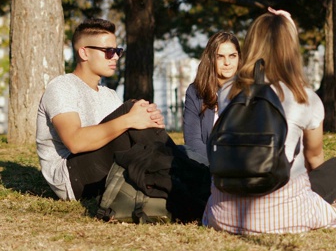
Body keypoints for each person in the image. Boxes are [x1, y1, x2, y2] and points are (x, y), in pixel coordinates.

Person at [203, 8, 336, 234]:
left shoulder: (227, 91)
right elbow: (314, 158)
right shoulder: (304, 97)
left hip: (224, 215)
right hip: (284, 216)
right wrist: (290, 30)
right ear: (290, 48)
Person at [35, 19, 209, 219]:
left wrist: (148, 121)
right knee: (132, 109)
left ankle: (192, 183)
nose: (115, 57)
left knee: (144, 119)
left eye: (118, 51)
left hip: (105, 172)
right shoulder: (62, 86)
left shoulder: (109, 94)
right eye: (108, 51)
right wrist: (130, 119)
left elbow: (127, 132)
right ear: (84, 52)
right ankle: (198, 183)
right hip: (72, 178)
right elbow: (75, 142)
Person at [183, 32, 241, 164]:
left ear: (239, 57)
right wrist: (221, 163)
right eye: (220, 57)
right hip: (207, 165)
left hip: (243, 166)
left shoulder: (250, 90)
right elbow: (192, 141)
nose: (227, 63)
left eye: (232, 56)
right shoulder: (196, 92)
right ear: (211, 59)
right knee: (181, 151)